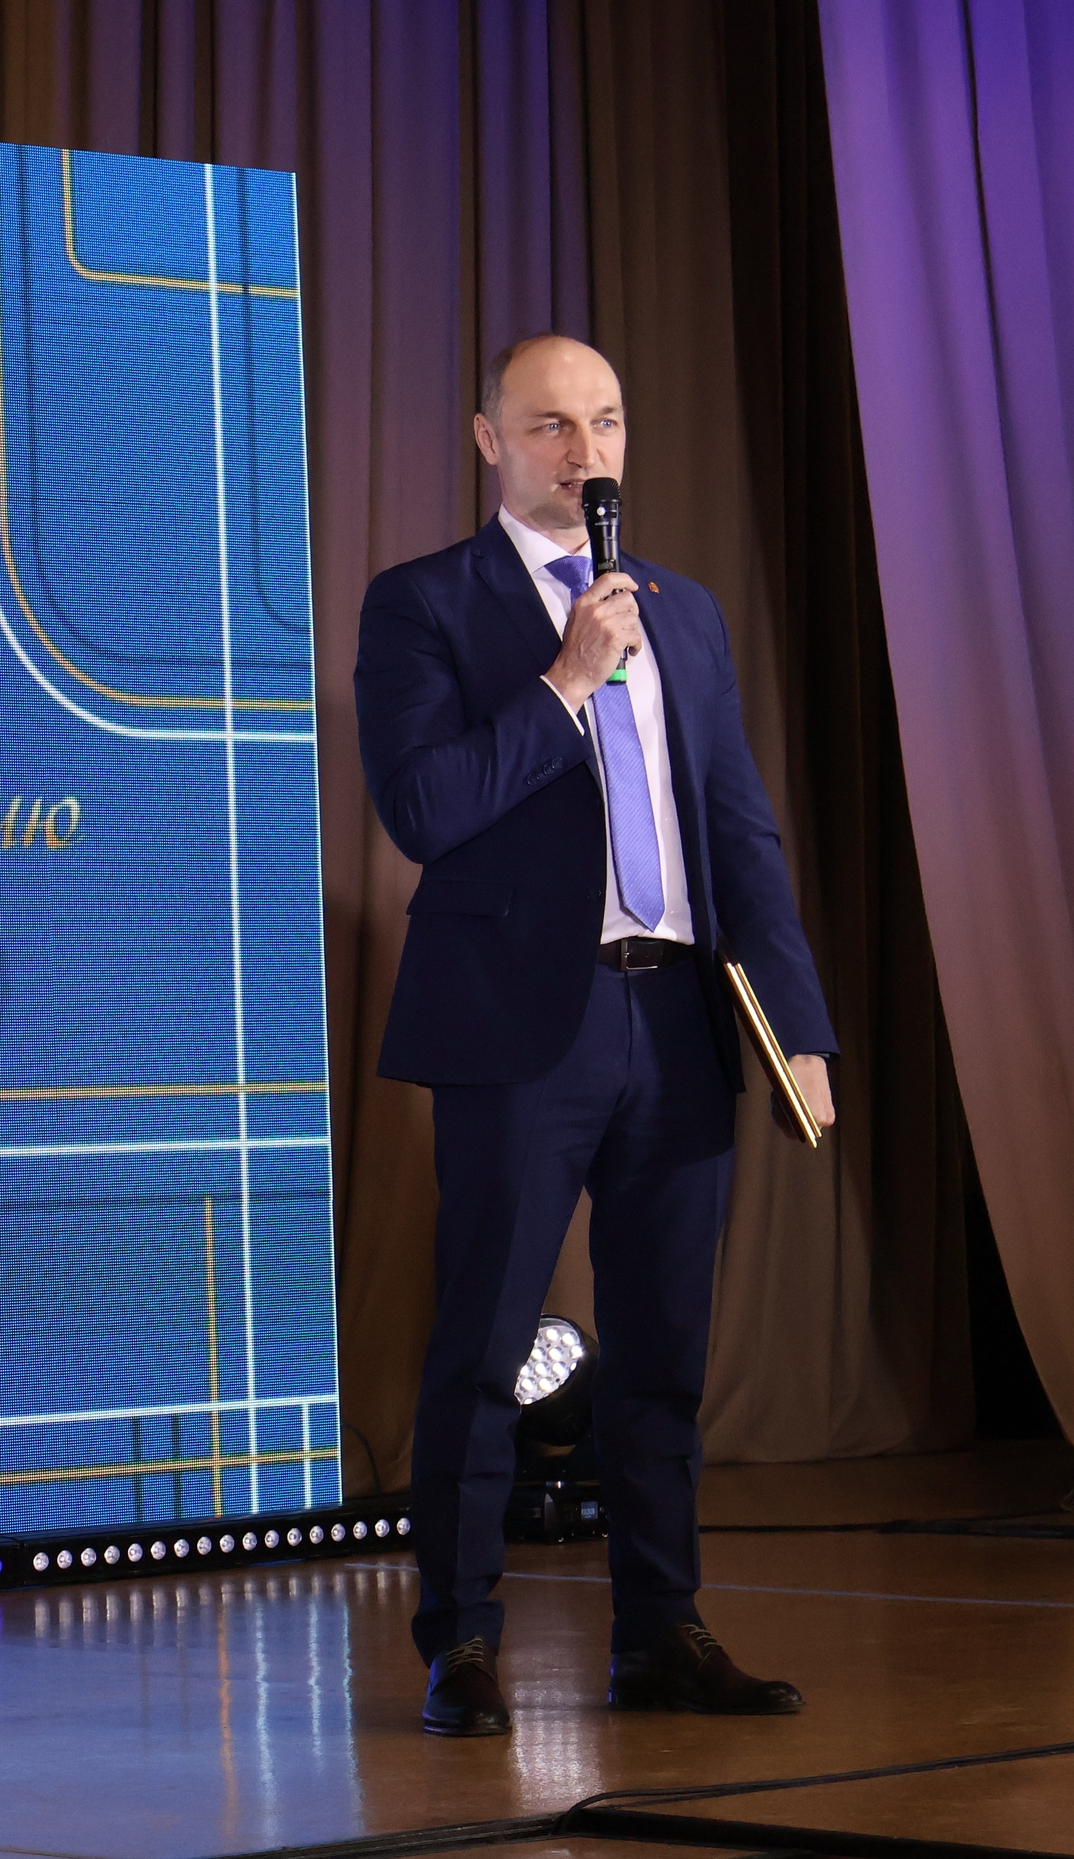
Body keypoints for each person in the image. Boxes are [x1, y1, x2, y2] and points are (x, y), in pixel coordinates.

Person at [354, 334, 839, 1737]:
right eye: (553, 425)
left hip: (677, 1014)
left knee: (665, 1352)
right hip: (525, 1025)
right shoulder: (424, 604)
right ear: (488, 441)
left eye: (608, 421)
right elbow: (426, 810)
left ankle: (661, 1633)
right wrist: (566, 678)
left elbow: (738, 830)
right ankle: (461, 1639)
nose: (588, 452)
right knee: (486, 1344)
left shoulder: (682, 611)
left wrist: (795, 1024)